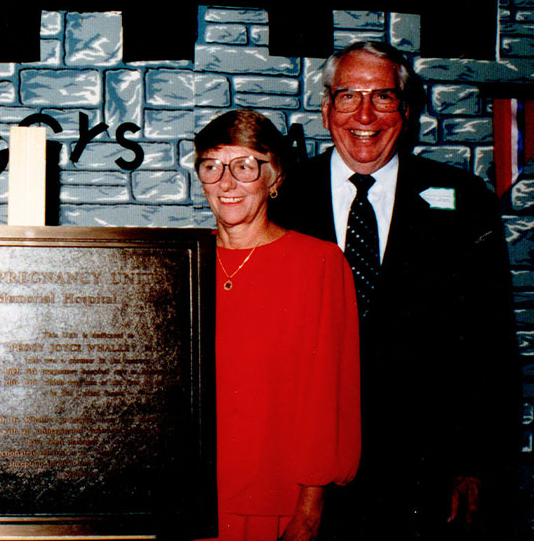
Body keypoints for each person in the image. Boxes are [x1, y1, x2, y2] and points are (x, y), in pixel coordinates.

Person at [272, 41, 519, 539]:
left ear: (405, 112)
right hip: (303, 470)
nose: (365, 114)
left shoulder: (464, 201)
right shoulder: (282, 197)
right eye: (348, 96)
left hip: (423, 473)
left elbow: (489, 344)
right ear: (325, 110)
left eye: (383, 97)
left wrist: (472, 465)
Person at [193, 109, 360, 541]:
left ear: (275, 176)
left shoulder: (319, 263)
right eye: (212, 165)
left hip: (276, 503)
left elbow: (329, 396)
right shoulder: (184, 262)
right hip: (189, 503)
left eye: (245, 166)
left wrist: (307, 513)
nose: (226, 183)